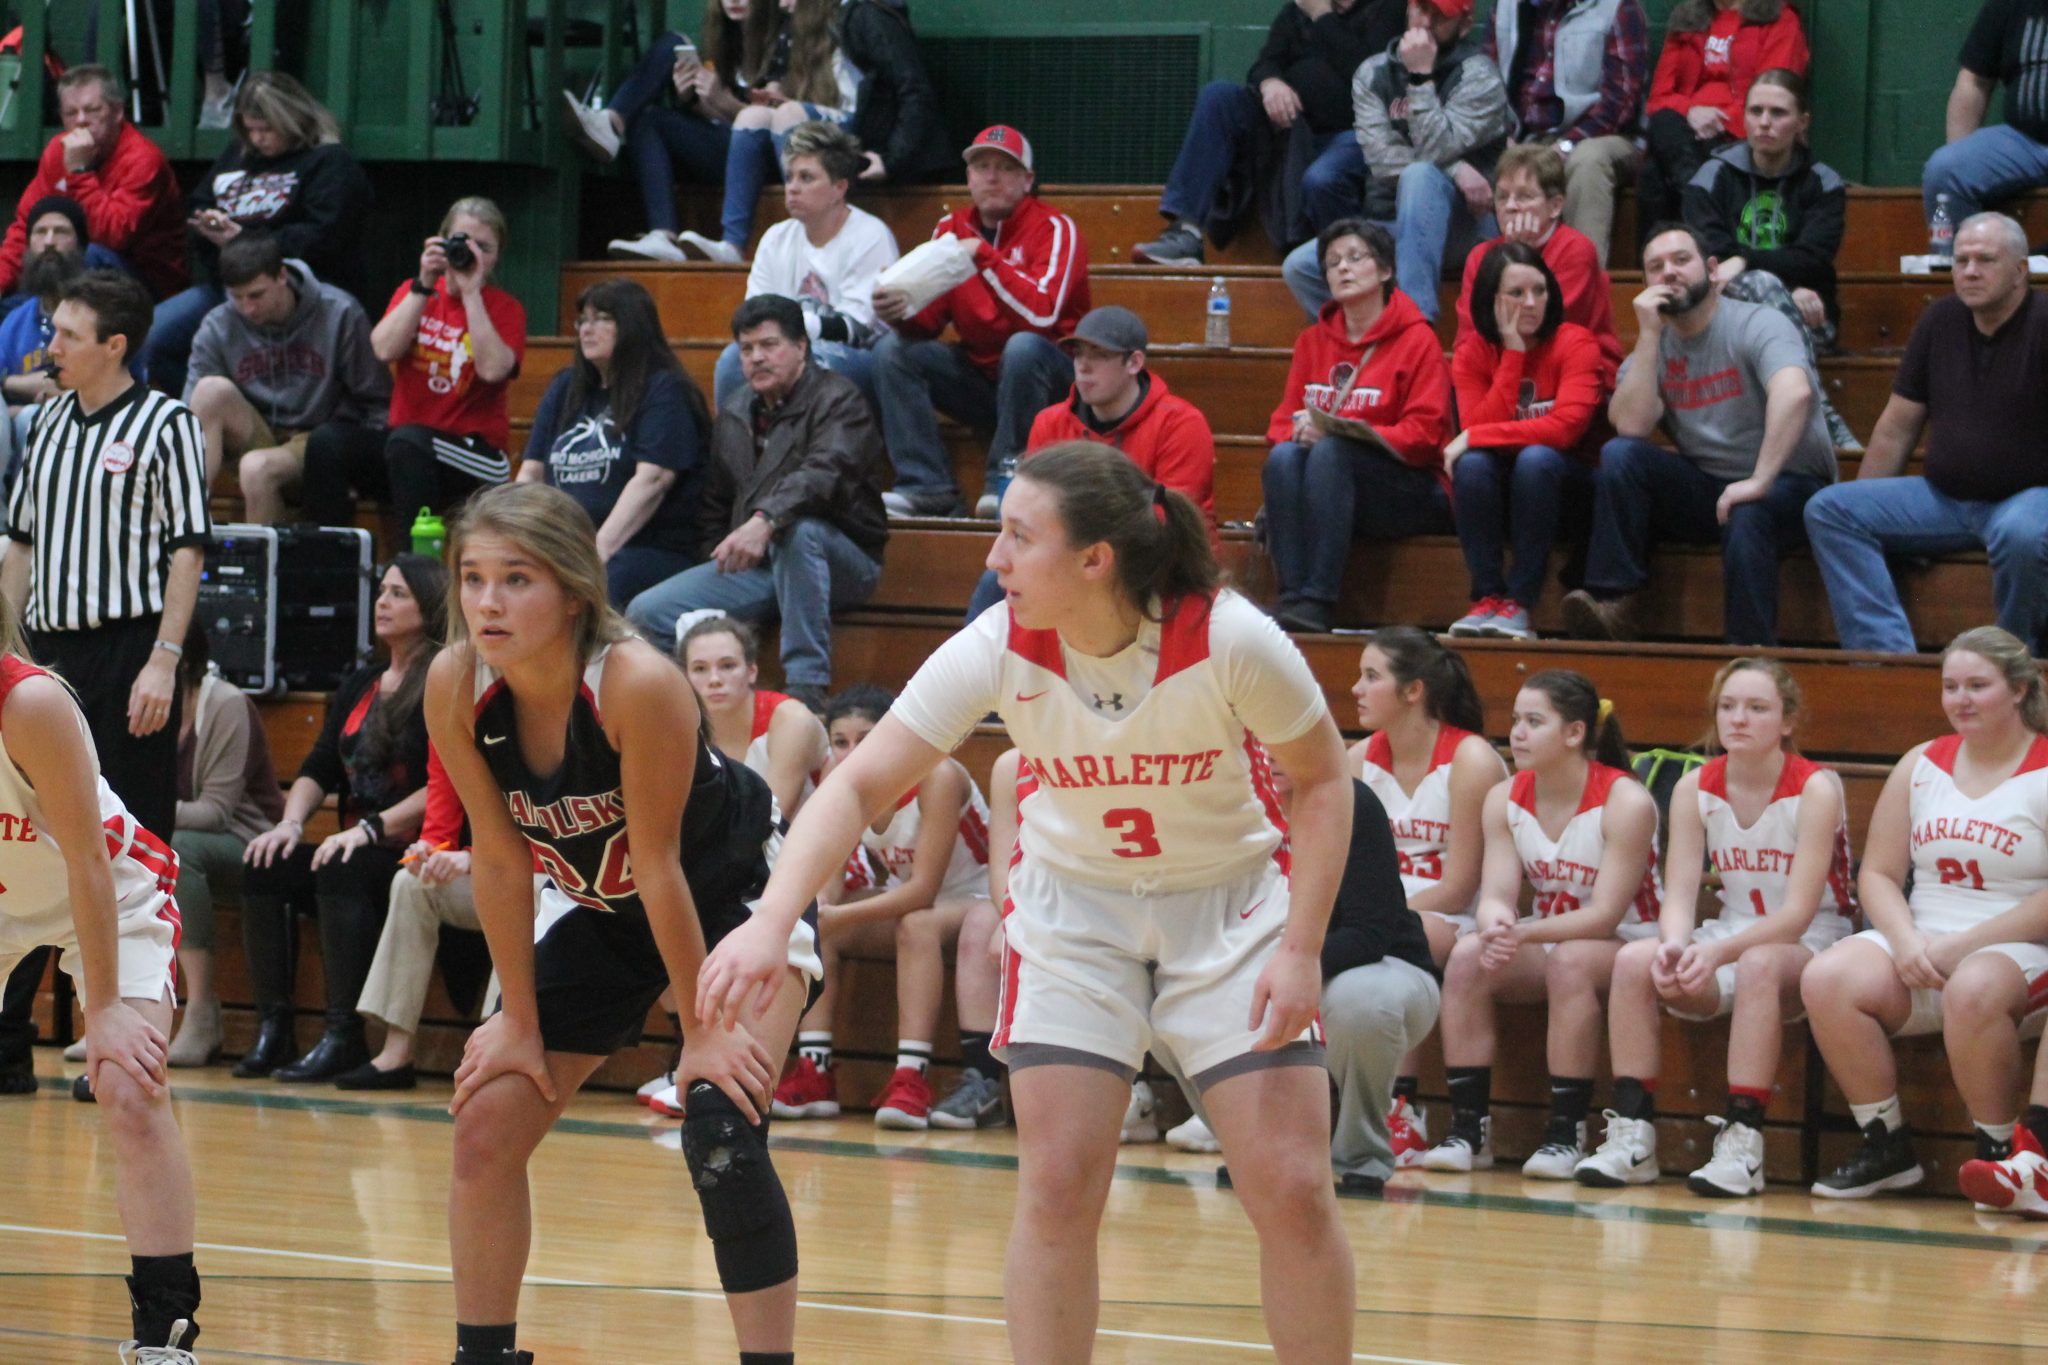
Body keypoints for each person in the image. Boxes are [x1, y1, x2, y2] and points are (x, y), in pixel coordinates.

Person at [698, 441, 1359, 1361]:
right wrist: (772, 920)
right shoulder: (998, 642)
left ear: (1095, 559)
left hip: (1231, 904)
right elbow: (856, 785)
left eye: (1018, 535)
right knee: (1056, 1185)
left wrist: (1302, 948)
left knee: (1292, 1187)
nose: (993, 555)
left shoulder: (1227, 636)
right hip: (1075, 912)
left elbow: (1323, 780)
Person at [426, 481, 820, 1365]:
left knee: (719, 1122)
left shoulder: (636, 682)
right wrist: (519, 1021)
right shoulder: (454, 683)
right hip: (604, 908)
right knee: (485, 1122)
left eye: (516, 579)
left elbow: (661, 862)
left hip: (733, 900)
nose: (488, 602)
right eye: (472, 578)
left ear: (573, 591)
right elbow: (500, 858)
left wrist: (700, 1035)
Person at [0, 592, 206, 1361]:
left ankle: (165, 1333)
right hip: (7, 896)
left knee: (127, 1083)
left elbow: (87, 858)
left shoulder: (32, 703)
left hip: (111, 891)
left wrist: (109, 1006)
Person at [1575, 658, 1856, 1195]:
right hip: (1731, 931)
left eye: (1757, 708)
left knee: (1759, 965)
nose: (1739, 718)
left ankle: (1744, 1143)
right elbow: (1678, 893)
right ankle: (1632, 1135)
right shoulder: (1694, 787)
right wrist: (1675, 943)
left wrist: (1716, 954)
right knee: (1634, 960)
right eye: (1728, 707)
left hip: (1814, 938)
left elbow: (1797, 914)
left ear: (1788, 721)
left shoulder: (1816, 788)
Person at [1801, 627, 2048, 1200]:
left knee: (1973, 987)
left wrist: (1964, 945)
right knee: (1827, 976)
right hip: (1924, 940)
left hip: (2017, 948)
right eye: (1950, 686)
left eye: (1977, 686)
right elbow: (1878, 874)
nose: (1961, 699)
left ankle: (2002, 1157)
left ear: (2018, 690)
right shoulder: (1921, 763)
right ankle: (1885, 1146)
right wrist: (1906, 940)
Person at [1419, 671, 1662, 1178]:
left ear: (1574, 733)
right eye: (1515, 720)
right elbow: (1496, 894)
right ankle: (1469, 1130)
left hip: (1627, 940)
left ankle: (1565, 1133)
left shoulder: (1626, 801)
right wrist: (1495, 923)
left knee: (1569, 962)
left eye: (1534, 721)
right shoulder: (1504, 797)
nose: (1517, 733)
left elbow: (1604, 915)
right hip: (1549, 933)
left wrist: (1523, 933)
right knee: (1467, 958)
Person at [2, 271, 208, 847]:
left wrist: (164, 661)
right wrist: (7, 652)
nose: (53, 347)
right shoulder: (44, 422)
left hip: (130, 651)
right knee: (41, 829)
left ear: (115, 345)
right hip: (47, 655)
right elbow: (21, 544)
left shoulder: (168, 424)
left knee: (134, 829)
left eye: (70, 335)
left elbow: (188, 550)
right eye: (54, 331)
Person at [1560, 222, 1835, 647]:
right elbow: (1631, 426)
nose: (1669, 271)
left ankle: (1748, 653)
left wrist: (1759, 480)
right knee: (1621, 455)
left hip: (1791, 483)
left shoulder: (1758, 322)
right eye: (1656, 267)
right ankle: (1614, 603)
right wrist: (1649, 334)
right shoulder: (1653, 347)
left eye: (1681, 260)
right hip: (1709, 488)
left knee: (1748, 511)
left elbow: (1794, 392)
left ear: (1711, 269)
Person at [233, 557, 444, 1082]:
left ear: (430, 607)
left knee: (341, 866)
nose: (382, 602)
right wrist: (289, 825)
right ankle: (274, 1030)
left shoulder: (443, 681)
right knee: (265, 863)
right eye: (382, 591)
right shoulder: (362, 681)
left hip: (415, 848)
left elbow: (446, 784)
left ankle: (345, 1034)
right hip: (354, 842)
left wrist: (370, 830)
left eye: (398, 594)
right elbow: (319, 765)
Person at [625, 294, 889, 709]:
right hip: (760, 563)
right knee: (647, 611)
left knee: (800, 533)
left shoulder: (840, 400)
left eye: (769, 345)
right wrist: (714, 566)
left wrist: (766, 519)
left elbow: (824, 474)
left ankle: (806, 689)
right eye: (746, 349)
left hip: (843, 559)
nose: (756, 358)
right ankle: (683, 711)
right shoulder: (735, 411)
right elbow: (716, 503)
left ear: (800, 346)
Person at [1804, 212, 2048, 657]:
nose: (1970, 271)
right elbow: (1897, 428)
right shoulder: (1940, 320)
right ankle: (1887, 659)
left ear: (2020, 271)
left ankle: (2015, 663)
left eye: (1985, 260)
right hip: (1944, 500)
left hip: (2029, 499)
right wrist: (1872, 508)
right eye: (1961, 260)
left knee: (2022, 535)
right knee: (1831, 510)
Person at [771, 685, 991, 1130]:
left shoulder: (937, 775)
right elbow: (830, 874)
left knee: (916, 924)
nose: (852, 753)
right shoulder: (839, 778)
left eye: (866, 739)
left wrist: (838, 915)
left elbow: (923, 891)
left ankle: (912, 1078)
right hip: (908, 899)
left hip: (979, 899)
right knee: (812, 924)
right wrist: (820, 910)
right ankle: (815, 1070)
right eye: (840, 742)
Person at [871, 125, 1091, 518]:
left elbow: (1041, 316)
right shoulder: (949, 230)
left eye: (1005, 168)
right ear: (969, 178)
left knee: (1023, 348)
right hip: (984, 381)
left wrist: (983, 256)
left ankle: (1005, 481)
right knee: (892, 350)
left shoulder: (1056, 229)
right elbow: (929, 321)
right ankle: (926, 486)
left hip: (1051, 383)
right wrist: (900, 310)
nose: (992, 177)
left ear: (1027, 180)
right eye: (982, 167)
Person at [1349, 627, 1506, 1165]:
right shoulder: (1357, 760)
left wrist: (1376, 917)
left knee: (1396, 943)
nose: (1356, 689)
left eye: (1371, 676)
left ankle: (1402, 1110)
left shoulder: (1470, 760)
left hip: (1457, 915)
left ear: (1413, 691)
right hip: (1388, 914)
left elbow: (1460, 886)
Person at [964, 305, 1219, 620]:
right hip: (1078, 560)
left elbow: (1169, 522)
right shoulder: (1050, 423)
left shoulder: (1181, 424)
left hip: (1160, 565)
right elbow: (1034, 513)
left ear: (1134, 362)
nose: (1083, 366)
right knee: (998, 581)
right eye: (1078, 354)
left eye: (1099, 355)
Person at [1262, 220, 1453, 634]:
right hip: (1330, 483)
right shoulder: (1311, 341)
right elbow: (1280, 420)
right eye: (1332, 263)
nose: (1342, 269)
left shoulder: (1418, 340)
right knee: (1283, 457)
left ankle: (1320, 598)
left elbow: (1424, 436)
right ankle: (1292, 597)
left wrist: (1349, 433)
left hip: (1407, 487)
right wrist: (1297, 432)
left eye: (1354, 258)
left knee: (1332, 451)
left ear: (1385, 270)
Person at [141, 71, 373, 399]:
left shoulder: (329, 162)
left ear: (292, 122)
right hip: (226, 285)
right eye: (250, 129)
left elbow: (326, 236)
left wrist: (246, 241)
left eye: (266, 129)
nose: (258, 138)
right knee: (150, 339)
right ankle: (220, 410)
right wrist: (209, 225)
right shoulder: (239, 153)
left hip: (296, 293)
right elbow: (199, 202)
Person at [1279, 0, 1510, 322]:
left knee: (1420, 175)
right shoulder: (1373, 72)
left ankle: (1415, 325)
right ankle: (1364, 342)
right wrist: (1456, 168)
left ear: (1465, 25)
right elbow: (1381, 160)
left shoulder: (1479, 75)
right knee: (1300, 268)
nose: (1424, 22)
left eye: (1439, 16)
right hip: (1388, 222)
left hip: (1465, 225)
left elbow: (1438, 147)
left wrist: (1420, 78)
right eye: (1420, 9)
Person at [669, 0, 949, 265]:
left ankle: (810, 233)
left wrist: (891, 159)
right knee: (752, 116)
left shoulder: (866, 15)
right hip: (834, 126)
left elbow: (914, 91)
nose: (780, 4)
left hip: (873, 140)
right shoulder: (801, 27)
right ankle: (732, 243)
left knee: (789, 114)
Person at [1132, 0, 1409, 266]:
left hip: (1351, 133)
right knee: (1219, 97)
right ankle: (1186, 232)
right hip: (1289, 132)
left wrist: (1323, 17)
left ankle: (1353, 262)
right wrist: (1270, 82)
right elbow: (1264, 62)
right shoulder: (1296, 12)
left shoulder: (1388, 9)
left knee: (1321, 178)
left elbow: (1368, 75)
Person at [1683, 68, 1860, 451]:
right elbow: (1710, 260)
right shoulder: (1711, 176)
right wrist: (1779, 285)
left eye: (1778, 113)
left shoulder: (1823, 182)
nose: (1764, 122)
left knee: (1762, 285)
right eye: (1755, 111)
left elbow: (1813, 259)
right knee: (1760, 286)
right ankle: (1822, 417)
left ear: (1802, 122)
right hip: (1724, 322)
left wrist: (1747, 263)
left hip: (1812, 320)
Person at [1446, 240, 1615, 639]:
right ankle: (1486, 597)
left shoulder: (1575, 342)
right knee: (1472, 464)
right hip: (1504, 490)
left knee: (1536, 459)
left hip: (1569, 486)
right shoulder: (1472, 353)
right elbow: (1478, 430)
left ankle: (1520, 602)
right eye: (1517, 293)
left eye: (1539, 290)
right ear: (1491, 300)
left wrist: (1476, 435)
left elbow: (1564, 429)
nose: (1531, 303)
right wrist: (1513, 354)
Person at [515, 278, 710, 605]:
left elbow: (653, 480)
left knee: (603, 582)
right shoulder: (565, 387)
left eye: (602, 319)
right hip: (568, 545)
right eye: (583, 321)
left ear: (632, 325)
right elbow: (531, 473)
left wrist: (596, 552)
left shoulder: (664, 390)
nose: (587, 330)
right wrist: (514, 535)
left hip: (643, 548)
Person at [1309, 742, 1448, 1195]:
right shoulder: (1230, 804)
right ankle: (1252, 1144)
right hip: (1280, 964)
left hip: (1382, 966)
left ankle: (1362, 1154)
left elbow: (1368, 934)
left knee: (1363, 1003)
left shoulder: (1351, 802)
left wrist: (1290, 966)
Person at [185, 232, 391, 507]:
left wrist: (355, 467)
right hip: (258, 433)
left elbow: (377, 401)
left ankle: (271, 538)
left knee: (256, 468)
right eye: (237, 297)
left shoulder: (339, 312)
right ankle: (187, 520)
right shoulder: (219, 324)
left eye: (256, 295)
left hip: (317, 443)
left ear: (281, 276)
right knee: (209, 390)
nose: (247, 308)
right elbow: (188, 414)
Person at [708, 120, 900, 407]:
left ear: (839, 188)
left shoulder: (870, 235)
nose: (792, 188)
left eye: (806, 178)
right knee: (731, 363)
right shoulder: (775, 238)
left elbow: (856, 330)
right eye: (789, 177)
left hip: (857, 358)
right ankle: (737, 436)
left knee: (816, 363)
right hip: (788, 347)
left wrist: (786, 334)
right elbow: (755, 317)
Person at [361, 197, 527, 525]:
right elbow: (383, 350)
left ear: (496, 256)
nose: (472, 253)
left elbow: (492, 371)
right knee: (329, 444)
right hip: (408, 447)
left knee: (408, 441)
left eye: (484, 247)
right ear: (441, 241)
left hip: (476, 456)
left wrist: (471, 293)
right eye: (463, 242)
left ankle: (413, 555)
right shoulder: (414, 292)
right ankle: (329, 553)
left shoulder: (506, 308)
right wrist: (424, 283)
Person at [164, 621, 284, 1068]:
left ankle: (201, 1011)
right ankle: (116, 1014)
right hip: (185, 840)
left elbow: (215, 812)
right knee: (115, 850)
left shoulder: (226, 704)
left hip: (250, 844)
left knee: (177, 850)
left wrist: (139, 809)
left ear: (182, 660)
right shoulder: (140, 702)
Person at [593, 3, 785, 260]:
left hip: (765, 157)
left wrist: (724, 101)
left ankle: (609, 125)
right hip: (724, 145)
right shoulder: (723, 41)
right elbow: (720, 119)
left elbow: (772, 124)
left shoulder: (782, 41)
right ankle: (662, 234)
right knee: (651, 108)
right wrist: (692, 100)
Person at [342, 743, 481, 1092]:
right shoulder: (448, 720)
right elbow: (439, 825)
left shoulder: (537, 719)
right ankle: (396, 1052)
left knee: (519, 893)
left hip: (550, 878)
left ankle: (499, 1051)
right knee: (411, 883)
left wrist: (474, 858)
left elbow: (553, 838)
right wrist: (428, 852)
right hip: (489, 872)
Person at [1481, 0, 1649, 266]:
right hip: (1526, 136)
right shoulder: (1506, 6)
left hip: (1604, 135)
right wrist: (1501, 137)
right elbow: (1483, 83)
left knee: (1587, 161)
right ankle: (1509, 275)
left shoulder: (1617, 7)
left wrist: (1566, 146)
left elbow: (1620, 103)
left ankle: (1581, 276)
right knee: (1499, 161)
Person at [0, 65, 185, 301]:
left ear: (117, 112)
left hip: (146, 286)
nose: (81, 121)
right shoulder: (57, 151)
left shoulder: (143, 159)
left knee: (90, 254)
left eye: (92, 110)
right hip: (68, 277)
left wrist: (79, 172)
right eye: (71, 113)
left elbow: (112, 238)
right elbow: (26, 227)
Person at [1636, 0, 1809, 238]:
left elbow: (1774, 95)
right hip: (1684, 128)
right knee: (1663, 121)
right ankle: (1699, 207)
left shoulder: (1779, 18)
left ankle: (1667, 249)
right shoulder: (1687, 19)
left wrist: (1720, 120)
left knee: (1653, 174)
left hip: (1739, 133)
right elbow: (1659, 97)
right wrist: (1691, 111)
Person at [1451, 143, 1622, 370]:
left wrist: (1521, 258)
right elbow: (1467, 339)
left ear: (1555, 206)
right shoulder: (1480, 256)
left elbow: (1543, 328)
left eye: (1524, 197)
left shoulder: (1576, 249)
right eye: (1502, 197)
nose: (1510, 207)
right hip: (1502, 370)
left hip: (1571, 370)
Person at [681, 615, 830, 820]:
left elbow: (770, 821)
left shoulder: (792, 720)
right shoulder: (681, 727)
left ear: (751, 671)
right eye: (700, 669)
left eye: (727, 666)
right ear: (684, 677)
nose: (714, 679)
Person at [1924, 0, 2048, 222]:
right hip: (2024, 144)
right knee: (1945, 170)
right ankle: (1958, 245)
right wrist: (1959, 151)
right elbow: (1973, 82)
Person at [0, 197, 91, 493]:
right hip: (17, 437)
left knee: (33, 418)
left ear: (80, 245)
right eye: (40, 232)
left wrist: (13, 387)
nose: (49, 241)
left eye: (61, 232)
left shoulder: (102, 312)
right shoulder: (15, 320)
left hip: (90, 437)